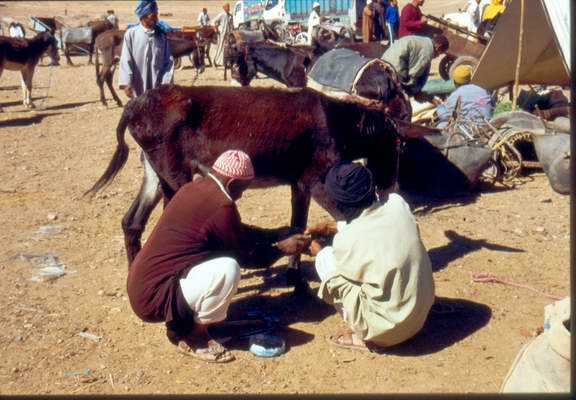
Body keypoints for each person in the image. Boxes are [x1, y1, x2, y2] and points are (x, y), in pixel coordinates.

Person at [127, 150, 311, 363]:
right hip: (153, 298)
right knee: (228, 268)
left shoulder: (195, 188)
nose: (241, 195)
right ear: (232, 181)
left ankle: (184, 321)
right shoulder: (222, 204)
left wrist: (276, 233)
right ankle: (195, 336)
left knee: (216, 258)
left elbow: (236, 231)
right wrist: (281, 248)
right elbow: (249, 257)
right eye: (242, 188)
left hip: (144, 288)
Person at [305, 162, 435, 351]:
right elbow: (371, 227)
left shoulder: (346, 241)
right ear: (371, 187)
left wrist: (317, 251)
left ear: (336, 202)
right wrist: (330, 226)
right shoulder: (398, 205)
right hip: (421, 315)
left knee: (326, 260)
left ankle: (363, 336)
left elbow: (356, 237)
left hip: (389, 332)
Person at [118, 0, 174, 99]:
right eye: (153, 15)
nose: (157, 18)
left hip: (158, 92)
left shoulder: (161, 36)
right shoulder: (131, 34)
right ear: (143, 16)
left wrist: (165, 84)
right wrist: (126, 83)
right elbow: (126, 60)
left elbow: (168, 63)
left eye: (156, 14)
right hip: (137, 91)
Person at [381, 34, 449, 97]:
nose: (438, 56)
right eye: (440, 52)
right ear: (438, 46)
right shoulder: (427, 52)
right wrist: (414, 91)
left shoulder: (425, 41)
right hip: (394, 68)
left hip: (384, 61)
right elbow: (414, 74)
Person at [213, 3, 234, 67]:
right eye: (227, 7)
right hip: (221, 33)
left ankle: (224, 62)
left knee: (227, 48)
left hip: (228, 34)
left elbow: (231, 24)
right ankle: (215, 61)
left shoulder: (230, 15)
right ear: (224, 8)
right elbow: (214, 21)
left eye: (229, 6)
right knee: (219, 47)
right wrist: (216, 29)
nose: (228, 8)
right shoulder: (221, 14)